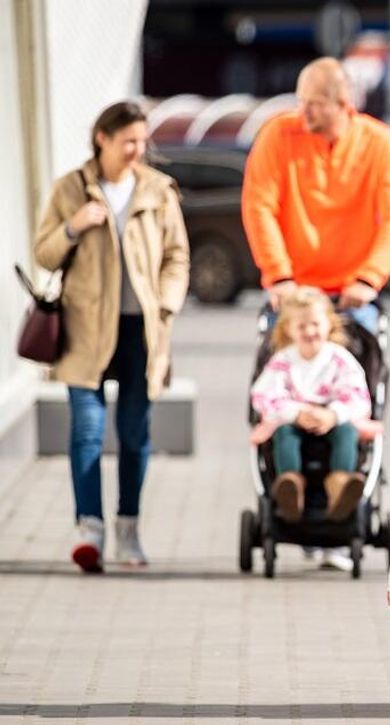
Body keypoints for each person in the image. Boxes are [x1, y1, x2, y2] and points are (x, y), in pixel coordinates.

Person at [33, 100, 190, 573]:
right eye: (129, 142)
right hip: (85, 329)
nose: (137, 151)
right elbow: (43, 253)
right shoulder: (71, 190)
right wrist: (74, 227)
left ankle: (128, 528)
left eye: (143, 141)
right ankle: (90, 530)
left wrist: (165, 304)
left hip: (142, 332)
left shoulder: (158, 191)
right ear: (102, 138)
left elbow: (177, 257)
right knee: (86, 430)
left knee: (134, 433)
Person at [241, 56, 390, 334]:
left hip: (353, 291)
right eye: (301, 101)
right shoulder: (278, 134)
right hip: (293, 289)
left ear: (344, 104)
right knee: (276, 366)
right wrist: (279, 276)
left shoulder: (380, 142)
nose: (303, 111)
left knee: (362, 361)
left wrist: (369, 279)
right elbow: (259, 206)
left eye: (315, 104)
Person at [250, 287, 372, 524]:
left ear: (329, 324)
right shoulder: (283, 361)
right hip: (295, 421)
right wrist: (296, 413)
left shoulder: (340, 359)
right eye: (302, 326)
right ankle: (291, 485)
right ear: (288, 329)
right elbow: (265, 394)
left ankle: (339, 484)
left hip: (332, 420)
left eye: (315, 324)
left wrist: (332, 414)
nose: (310, 331)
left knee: (347, 432)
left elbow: (356, 394)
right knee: (284, 433)